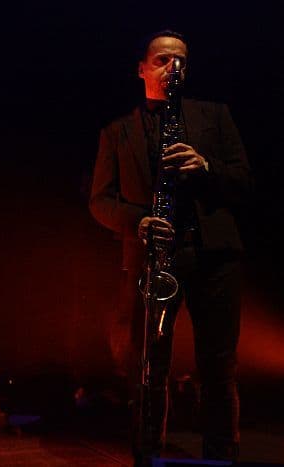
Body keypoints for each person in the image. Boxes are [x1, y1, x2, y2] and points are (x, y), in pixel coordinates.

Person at [89, 29, 252, 465]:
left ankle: (221, 457)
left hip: (214, 257)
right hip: (154, 257)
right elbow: (99, 202)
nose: (172, 67)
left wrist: (206, 165)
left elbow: (244, 181)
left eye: (179, 60)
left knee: (219, 367)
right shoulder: (117, 132)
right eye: (162, 59)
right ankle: (148, 456)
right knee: (149, 367)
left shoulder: (215, 115)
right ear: (141, 69)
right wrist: (138, 220)